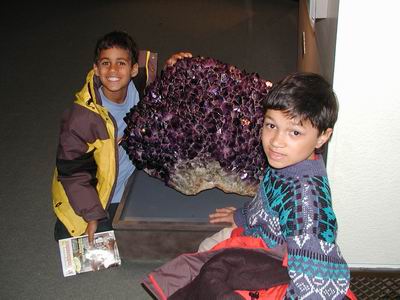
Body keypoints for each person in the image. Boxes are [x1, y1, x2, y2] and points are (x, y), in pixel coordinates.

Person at [199, 72, 350, 298]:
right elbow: (268, 197)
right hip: (260, 239)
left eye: (295, 132)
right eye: (271, 125)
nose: (276, 142)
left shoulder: (307, 207)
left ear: (322, 137)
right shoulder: (289, 160)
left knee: (206, 266)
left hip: (274, 267)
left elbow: (317, 287)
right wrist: (242, 216)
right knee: (204, 252)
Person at [52, 30, 191, 244]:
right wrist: (92, 214)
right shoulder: (80, 120)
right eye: (106, 63)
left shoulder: (142, 87)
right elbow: (73, 172)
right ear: (96, 69)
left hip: (135, 178)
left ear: (134, 69)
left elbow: (164, 96)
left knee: (171, 217)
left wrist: (172, 69)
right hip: (102, 193)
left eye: (121, 63)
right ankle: (104, 215)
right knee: (71, 234)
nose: (113, 70)